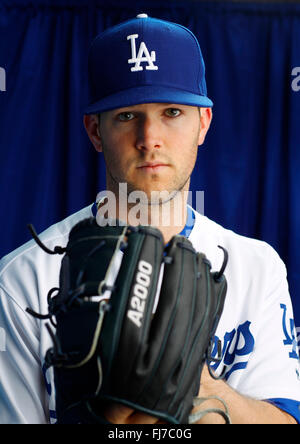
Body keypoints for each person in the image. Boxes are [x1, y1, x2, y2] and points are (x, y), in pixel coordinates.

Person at [0, 14, 299, 425]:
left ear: (203, 124)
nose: (149, 138)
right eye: (126, 115)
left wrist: (196, 387)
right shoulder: (23, 278)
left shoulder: (257, 267)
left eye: (172, 111)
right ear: (94, 130)